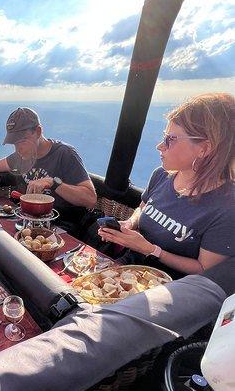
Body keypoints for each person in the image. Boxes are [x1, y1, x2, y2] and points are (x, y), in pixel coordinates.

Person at [99, 93, 235, 279]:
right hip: (127, 270)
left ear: (204, 148)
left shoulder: (227, 208)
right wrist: (130, 223)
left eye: (171, 139)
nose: (160, 146)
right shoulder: (161, 176)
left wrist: (152, 250)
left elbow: (205, 270)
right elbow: (143, 208)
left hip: (169, 290)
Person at [0, 107, 97, 219]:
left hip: (64, 226)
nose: (18, 149)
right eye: (14, 143)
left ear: (38, 132)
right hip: (30, 222)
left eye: (22, 140)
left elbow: (91, 199)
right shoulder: (22, 156)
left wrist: (52, 182)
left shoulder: (65, 154)